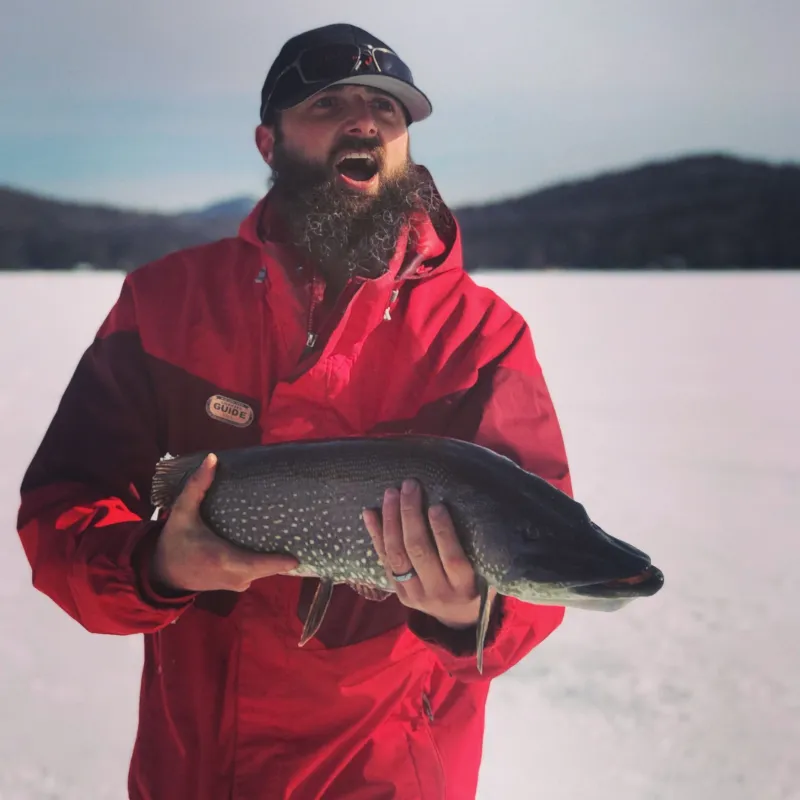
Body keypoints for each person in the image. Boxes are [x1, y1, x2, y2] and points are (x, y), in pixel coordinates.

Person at [16, 22, 573, 800]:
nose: (366, 121)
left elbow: (543, 552)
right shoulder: (165, 303)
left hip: (394, 775)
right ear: (267, 141)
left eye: (388, 109)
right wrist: (158, 565)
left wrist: (471, 609)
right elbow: (60, 514)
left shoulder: (481, 337)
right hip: (195, 774)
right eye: (328, 104)